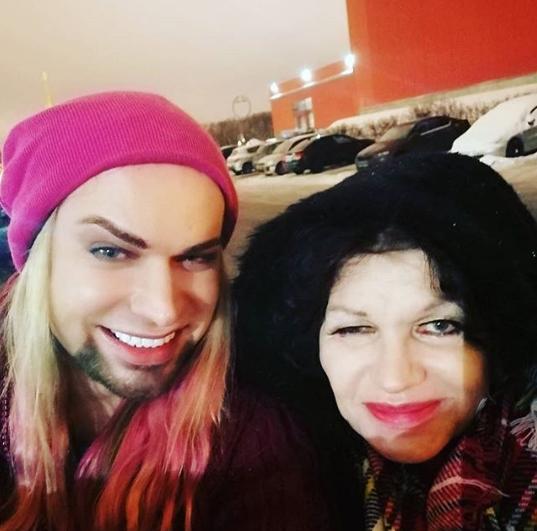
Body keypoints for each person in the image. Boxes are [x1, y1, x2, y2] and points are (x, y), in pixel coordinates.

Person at [0, 91, 330, 531]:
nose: (162, 310)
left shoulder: (254, 448)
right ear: (36, 261)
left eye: (196, 257)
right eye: (110, 251)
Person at [235, 153, 537, 530]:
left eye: (439, 326)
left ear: (499, 339)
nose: (395, 378)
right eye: (354, 330)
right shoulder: (284, 477)